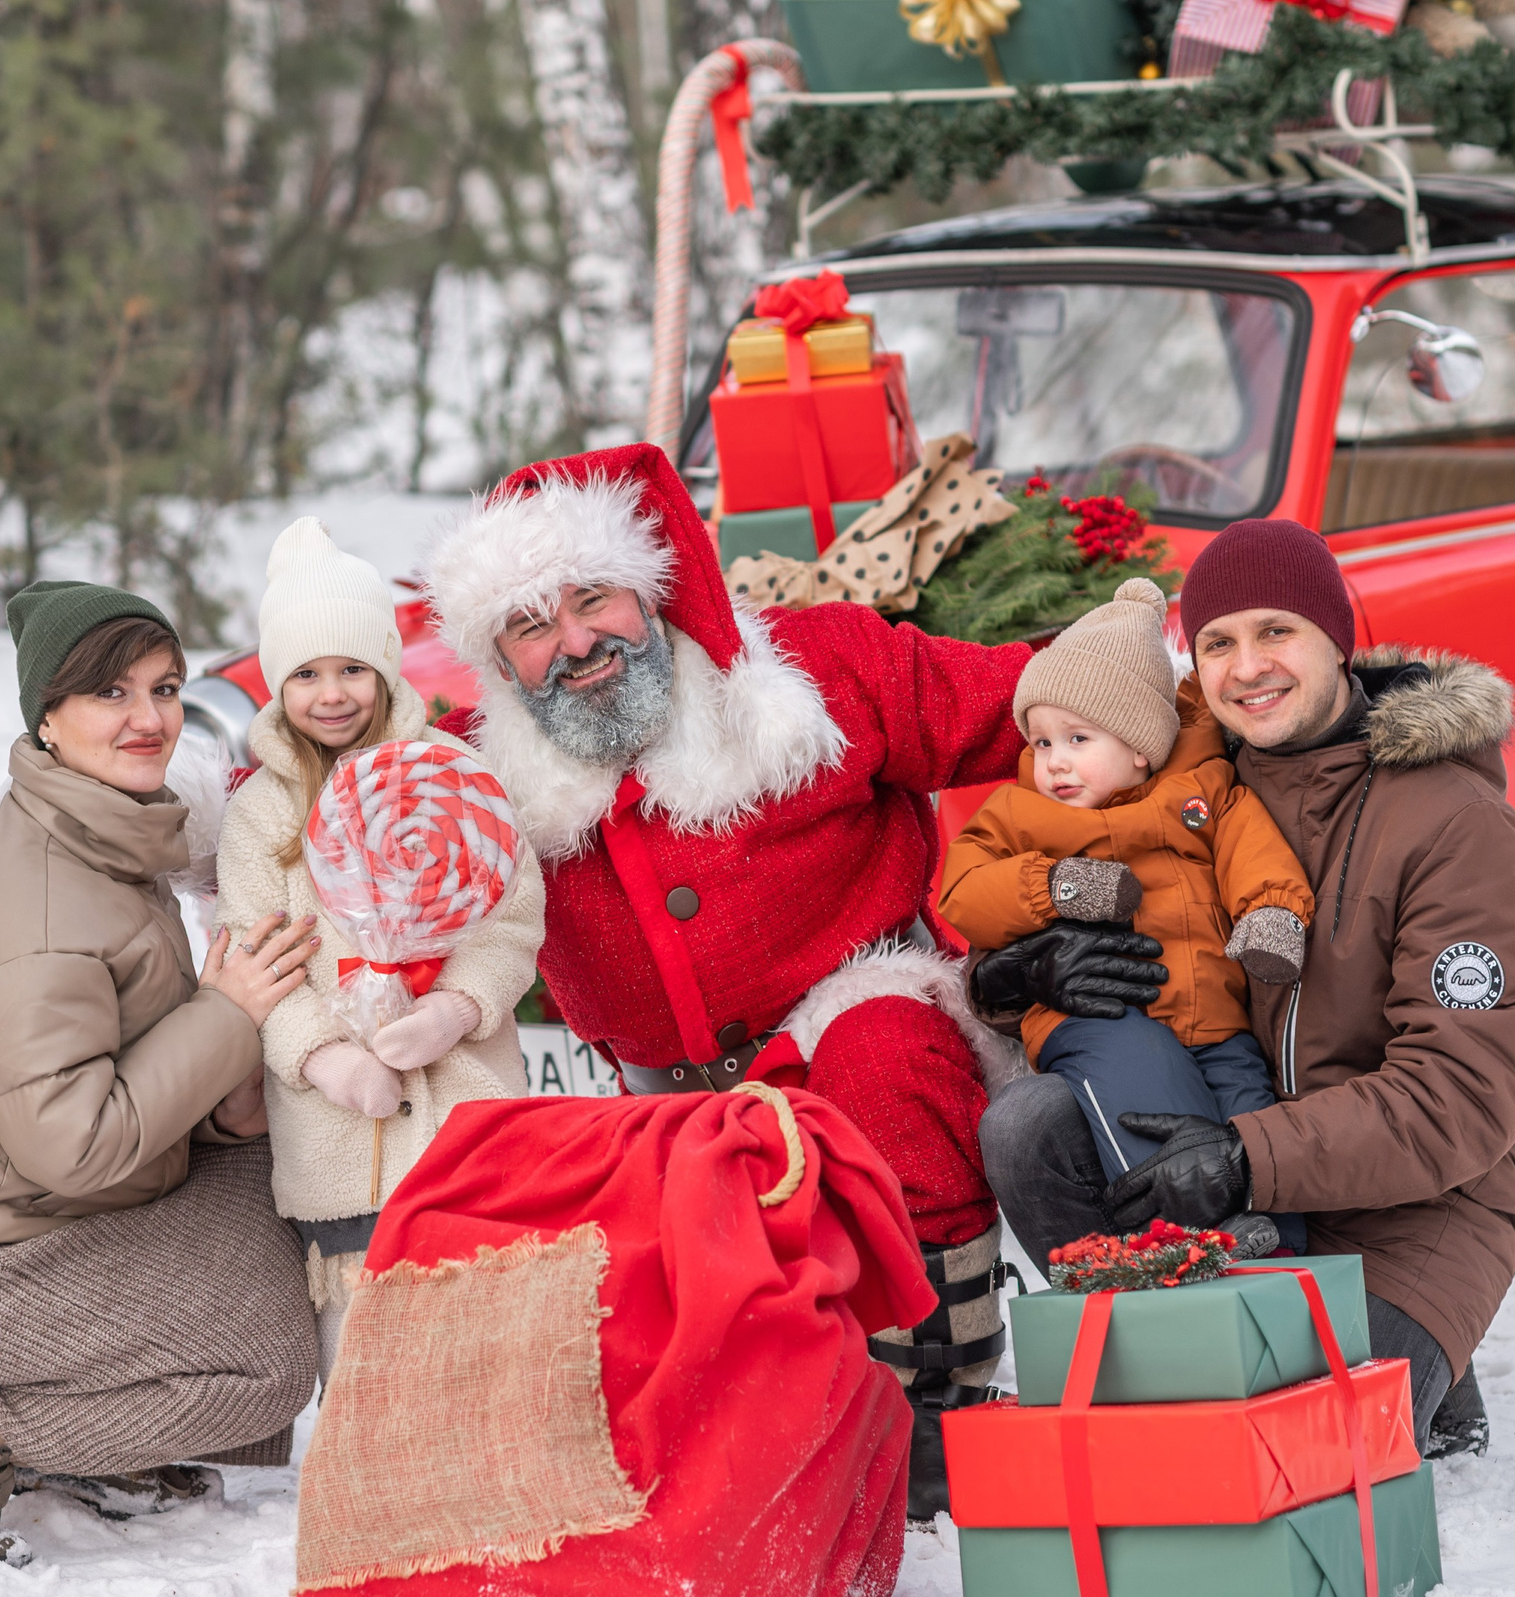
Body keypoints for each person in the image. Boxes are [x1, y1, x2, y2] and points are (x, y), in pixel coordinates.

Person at [420, 441, 1064, 1522]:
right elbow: (333, 826)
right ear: (499, 658)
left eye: (594, 600)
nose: (576, 644)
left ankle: (937, 1399)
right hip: (665, 1105)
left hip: (853, 1023)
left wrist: (1222, 688)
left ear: (651, 587)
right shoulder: (475, 776)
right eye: (532, 626)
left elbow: (1031, 705)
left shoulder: (810, 674)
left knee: (885, 1059)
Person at [978, 519, 1515, 1458]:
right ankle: (1149, 1354)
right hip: (1227, 1144)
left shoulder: (1456, 829)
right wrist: (1020, 974)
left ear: (1338, 637)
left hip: (1411, 1212)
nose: (1248, 665)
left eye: (1277, 631)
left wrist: (1243, 1157)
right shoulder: (1185, 785)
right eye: (1218, 641)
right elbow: (1058, 887)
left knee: (1289, 1458)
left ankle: (1426, 1358)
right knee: (1029, 1124)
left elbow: (1459, 1100)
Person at [0, 581, 323, 1566]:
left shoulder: (101, 826)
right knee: (270, 1358)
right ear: (46, 717)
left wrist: (224, 1109)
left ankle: (124, 1435)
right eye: (110, 693)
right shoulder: (37, 899)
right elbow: (71, 1142)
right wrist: (227, 1017)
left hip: (26, 1209)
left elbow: (104, 1073)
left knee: (286, 1210)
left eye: (166, 686)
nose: (149, 719)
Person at [212, 518, 544, 1381]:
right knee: (363, 1346)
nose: (332, 694)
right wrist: (322, 1057)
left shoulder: (456, 778)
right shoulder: (260, 816)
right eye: (307, 673)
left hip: (460, 1105)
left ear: (386, 670)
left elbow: (511, 919)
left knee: (477, 1332)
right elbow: (249, 963)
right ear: (277, 683)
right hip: (335, 1133)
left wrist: (455, 1007)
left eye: (353, 668)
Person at [937, 578, 1313, 1256]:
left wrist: (1272, 915)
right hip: (1098, 1016)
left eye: (1077, 738)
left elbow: (1253, 850)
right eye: (1042, 741)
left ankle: (1276, 1248)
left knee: (1249, 1117)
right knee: (1145, 1100)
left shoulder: (1201, 793)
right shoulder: (1023, 814)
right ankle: (1181, 1237)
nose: (1053, 763)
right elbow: (963, 889)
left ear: (1140, 744)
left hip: (1215, 1022)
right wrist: (1058, 887)